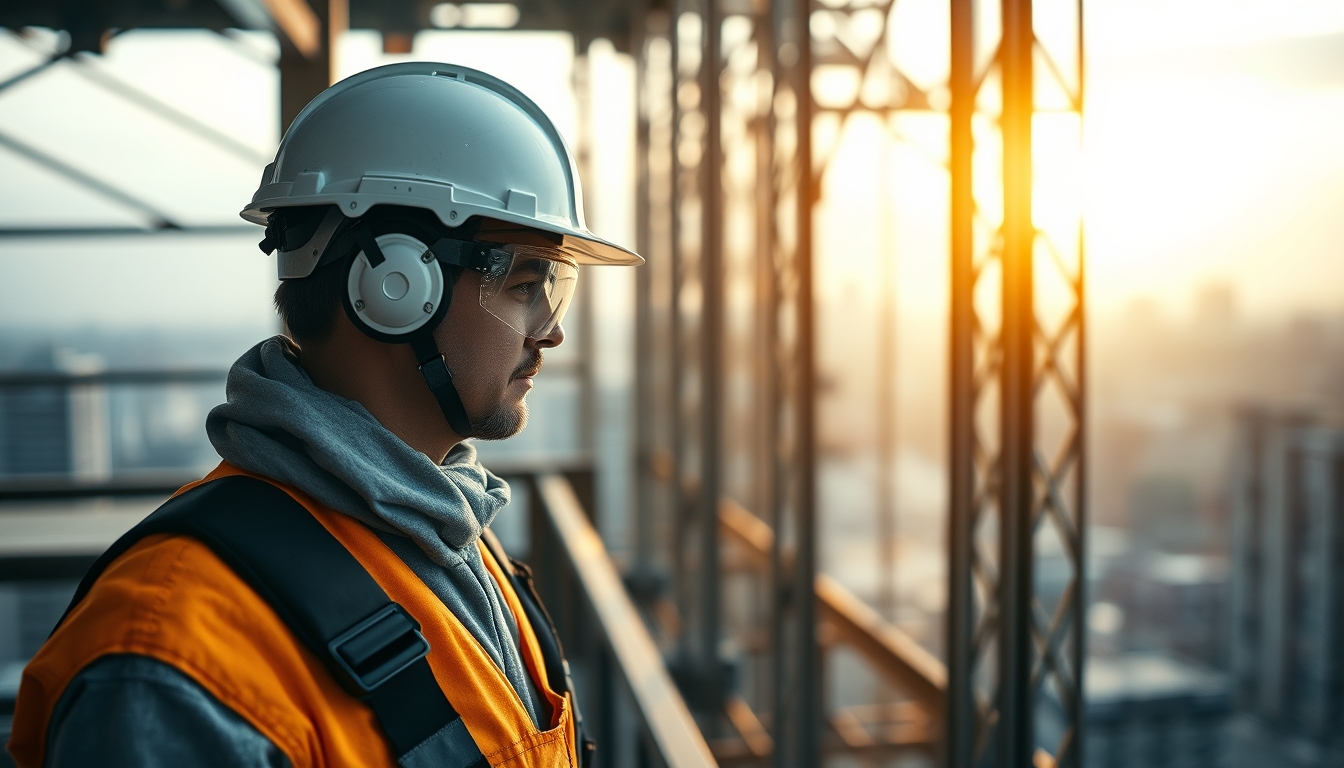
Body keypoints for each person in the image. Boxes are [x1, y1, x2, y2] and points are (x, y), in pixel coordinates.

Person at [7, 62, 640, 768]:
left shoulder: (449, 535)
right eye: (526, 283)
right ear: (399, 284)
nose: (550, 332)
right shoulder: (174, 652)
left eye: (555, 289)